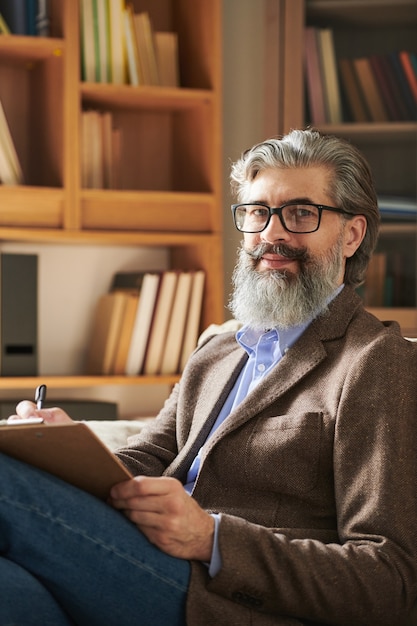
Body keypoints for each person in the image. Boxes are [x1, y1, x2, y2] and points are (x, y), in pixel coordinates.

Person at [1, 128, 417, 626]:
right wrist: (64, 447)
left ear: (352, 235)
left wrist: (212, 538)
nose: (271, 234)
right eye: (257, 212)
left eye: (301, 213)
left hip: (227, 604)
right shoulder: (216, 350)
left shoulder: (376, 360)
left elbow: (389, 579)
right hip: (148, 566)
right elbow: (147, 459)